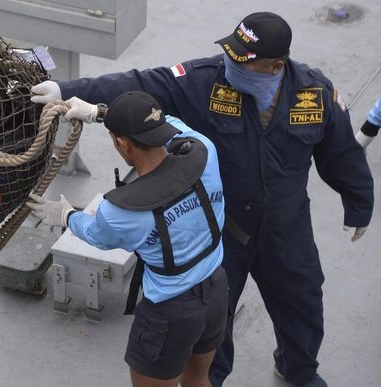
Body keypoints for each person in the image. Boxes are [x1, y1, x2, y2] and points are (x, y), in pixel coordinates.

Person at [30, 11, 374, 387]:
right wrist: (67, 91)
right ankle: (213, 378)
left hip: (287, 225)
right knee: (217, 313)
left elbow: (340, 151)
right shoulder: (206, 80)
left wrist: (359, 203)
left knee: (303, 301)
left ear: (276, 66)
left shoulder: (314, 93)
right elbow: (145, 84)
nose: (230, 64)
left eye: (243, 59)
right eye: (230, 52)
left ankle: (300, 368)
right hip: (227, 227)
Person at [29, 91, 229, 386]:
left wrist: (65, 215)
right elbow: (171, 124)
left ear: (122, 143)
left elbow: (96, 234)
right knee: (199, 378)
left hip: (170, 312)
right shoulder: (205, 150)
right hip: (216, 290)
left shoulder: (120, 211)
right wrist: (101, 113)